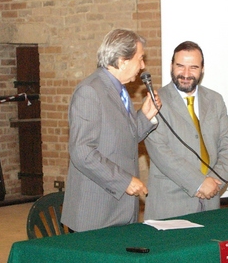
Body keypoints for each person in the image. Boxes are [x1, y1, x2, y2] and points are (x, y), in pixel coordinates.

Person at [144, 40, 228, 263]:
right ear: (171, 67)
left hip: (209, 202)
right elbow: (159, 151)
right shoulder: (157, 101)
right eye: (180, 66)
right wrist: (198, 182)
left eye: (193, 66)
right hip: (171, 201)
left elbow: (227, 142)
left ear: (201, 69)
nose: (186, 73)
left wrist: (218, 182)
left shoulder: (215, 100)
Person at [60, 28, 160, 233]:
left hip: (120, 208)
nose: (143, 66)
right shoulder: (90, 91)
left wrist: (145, 115)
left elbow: (123, 139)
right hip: (96, 213)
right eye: (140, 59)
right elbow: (81, 151)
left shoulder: (120, 90)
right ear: (122, 61)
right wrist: (124, 181)